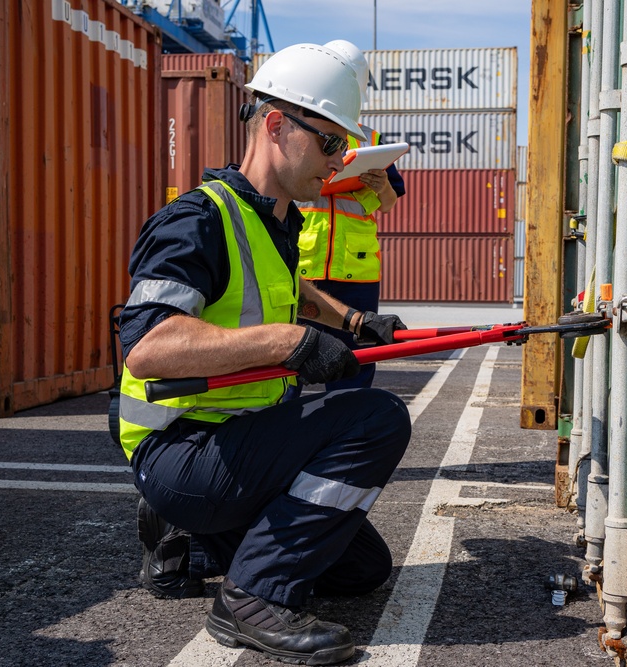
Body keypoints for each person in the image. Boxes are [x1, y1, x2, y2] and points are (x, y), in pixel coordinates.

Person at [117, 43, 411, 665]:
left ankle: (193, 543)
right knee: (376, 417)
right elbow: (147, 347)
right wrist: (291, 343)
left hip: (234, 437)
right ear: (277, 125)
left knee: (361, 569)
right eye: (330, 145)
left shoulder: (275, 220)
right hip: (182, 444)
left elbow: (285, 292)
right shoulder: (193, 221)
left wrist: (353, 320)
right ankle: (249, 598)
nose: (338, 164)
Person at [294, 39, 406, 392]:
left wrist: (379, 184)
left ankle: (348, 431)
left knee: (355, 366)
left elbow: (388, 203)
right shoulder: (299, 132)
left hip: (355, 271)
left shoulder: (371, 141)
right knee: (288, 363)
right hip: (303, 268)